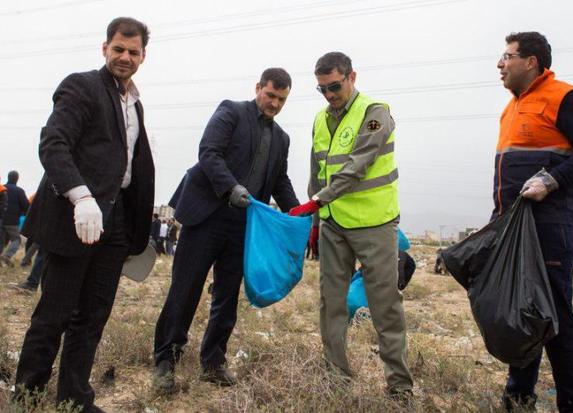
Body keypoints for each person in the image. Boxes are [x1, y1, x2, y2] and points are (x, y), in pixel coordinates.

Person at [13, 17, 154, 413]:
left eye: (133, 51)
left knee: (92, 317)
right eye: (118, 49)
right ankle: (27, 395)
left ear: (144, 55)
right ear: (104, 48)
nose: (125, 57)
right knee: (53, 314)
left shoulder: (135, 104)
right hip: (77, 218)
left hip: (116, 224)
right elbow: (53, 143)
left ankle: (74, 400)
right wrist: (81, 197)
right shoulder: (81, 86)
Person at [153, 68, 299, 393]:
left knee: (227, 294)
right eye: (270, 95)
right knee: (186, 288)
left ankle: (214, 362)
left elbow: (279, 180)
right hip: (208, 214)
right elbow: (209, 153)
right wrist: (231, 187)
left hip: (243, 225)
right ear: (258, 87)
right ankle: (165, 359)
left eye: (281, 99)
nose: (274, 103)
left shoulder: (281, 138)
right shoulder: (231, 111)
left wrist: (297, 213)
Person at [493, 32, 573, 412]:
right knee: (522, 314)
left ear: (531, 61)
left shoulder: (565, 96)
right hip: (515, 229)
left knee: (556, 319)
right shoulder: (511, 108)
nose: (500, 64)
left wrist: (551, 179)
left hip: (550, 227)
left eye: (507, 56)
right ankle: (519, 397)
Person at [289, 52, 413, 397]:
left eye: (334, 86)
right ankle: (336, 377)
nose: (329, 95)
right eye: (322, 89)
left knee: (384, 304)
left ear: (351, 77)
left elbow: (358, 165)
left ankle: (400, 386)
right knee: (331, 301)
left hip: (374, 224)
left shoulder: (376, 114)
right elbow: (317, 172)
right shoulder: (320, 120)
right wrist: (316, 217)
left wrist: (318, 200)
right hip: (333, 225)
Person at [0, 171, 30, 267]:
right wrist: (23, 213)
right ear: (17, 179)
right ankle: (7, 256)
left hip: (1, 218)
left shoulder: (2, 189)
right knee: (16, 239)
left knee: (2, 240)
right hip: (11, 221)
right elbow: (26, 206)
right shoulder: (19, 191)